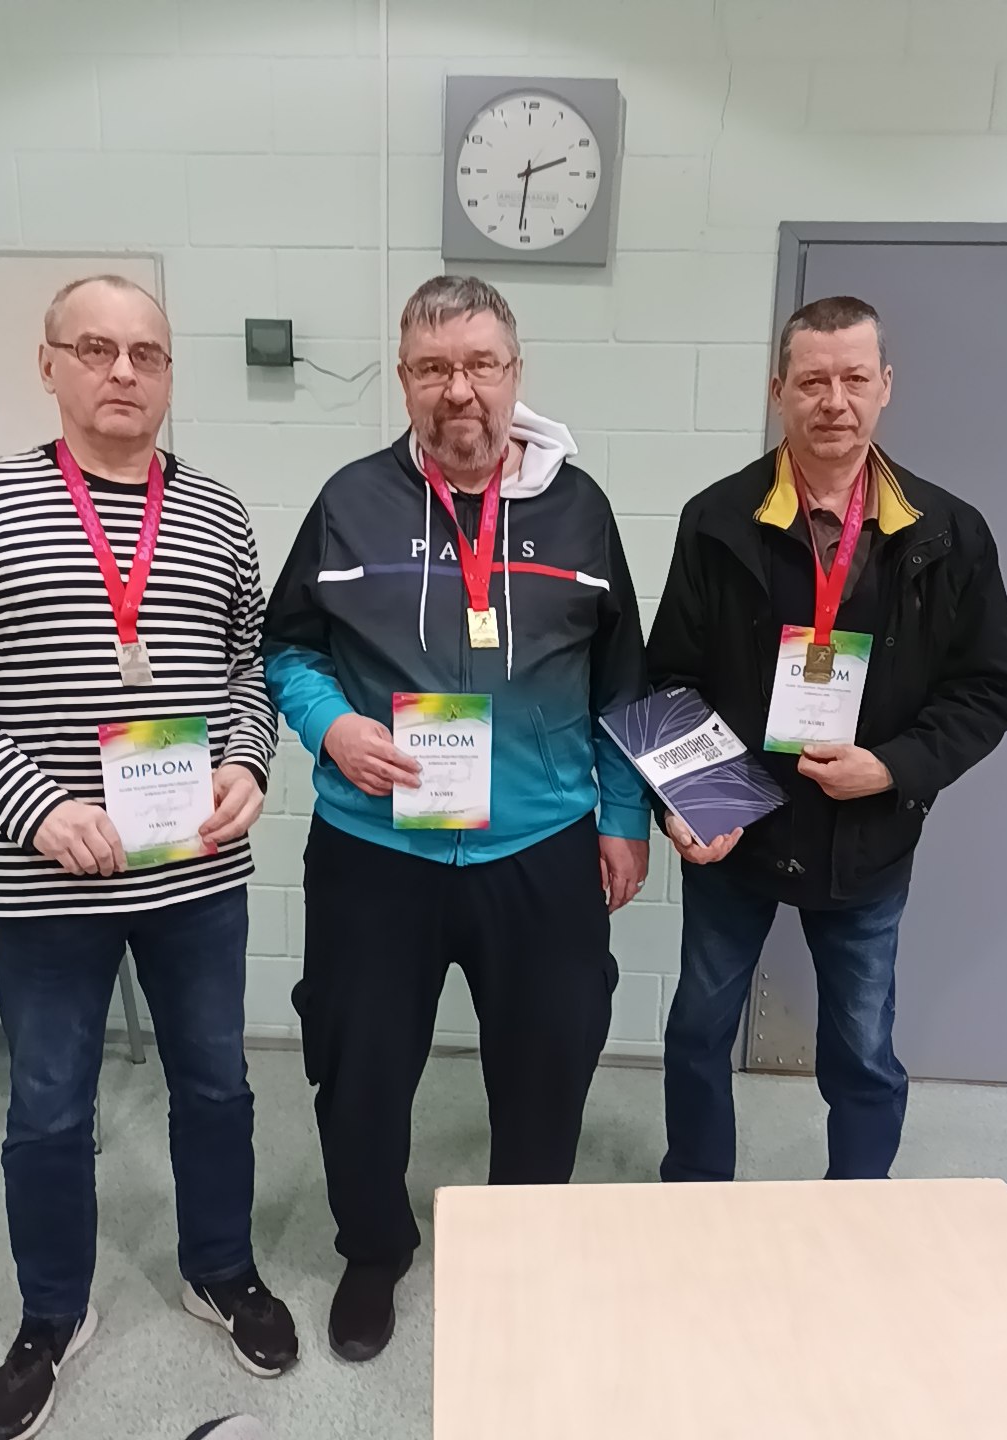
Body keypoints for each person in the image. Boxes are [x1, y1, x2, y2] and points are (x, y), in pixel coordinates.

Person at [263, 275, 649, 1362]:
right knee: (360, 1065)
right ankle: (374, 1249)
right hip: (376, 847)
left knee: (550, 1058)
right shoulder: (350, 500)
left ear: (515, 374)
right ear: (404, 380)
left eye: (480, 364)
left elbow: (621, 677)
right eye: (433, 368)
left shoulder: (580, 509)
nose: (459, 389)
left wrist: (622, 816)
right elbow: (287, 648)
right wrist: (332, 727)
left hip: (541, 844)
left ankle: (522, 1241)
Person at [0, 276, 298, 1440]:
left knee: (216, 1085)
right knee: (48, 1108)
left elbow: (249, 669)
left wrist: (249, 763)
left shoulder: (217, 513)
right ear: (49, 364)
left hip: (195, 874)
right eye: (96, 348)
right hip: (46, 877)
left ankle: (221, 1270)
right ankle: (52, 1312)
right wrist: (34, 809)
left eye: (146, 353)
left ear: (168, 372)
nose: (123, 371)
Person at [648, 295, 1007, 1186]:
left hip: (868, 838)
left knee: (861, 1049)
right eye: (813, 380)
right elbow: (669, 678)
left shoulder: (949, 532)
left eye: (855, 378)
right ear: (778, 390)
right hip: (737, 834)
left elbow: (988, 684)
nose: (834, 401)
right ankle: (695, 1197)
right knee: (697, 1033)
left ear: (886, 386)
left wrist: (892, 768)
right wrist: (695, 802)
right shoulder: (716, 520)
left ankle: (858, 1207)